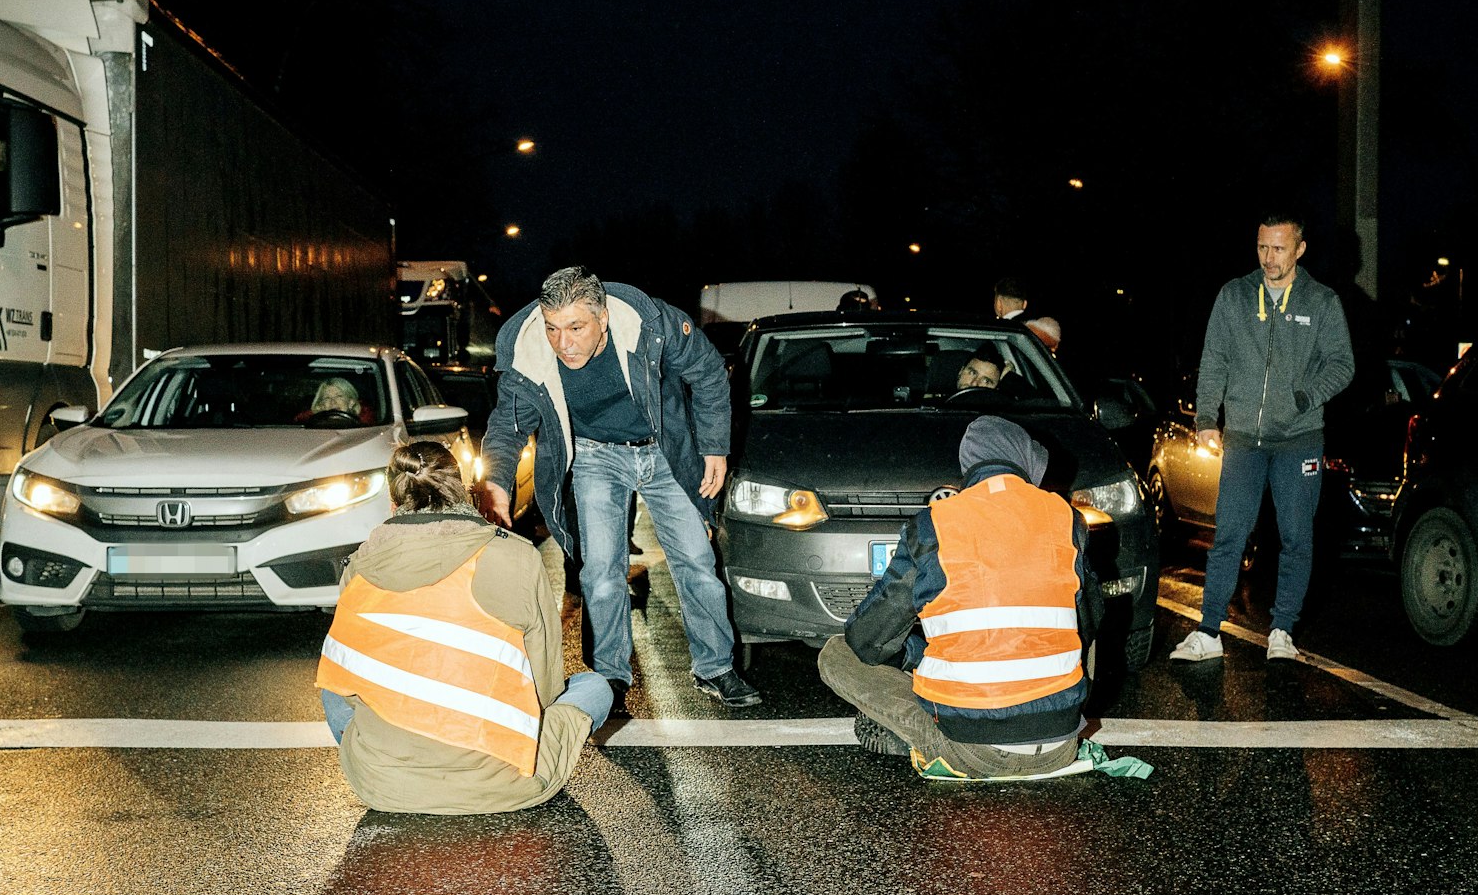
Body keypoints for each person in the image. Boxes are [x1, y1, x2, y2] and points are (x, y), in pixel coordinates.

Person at [478, 266, 760, 710]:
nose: (563, 343)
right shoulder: (529, 348)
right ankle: (609, 677)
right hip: (595, 456)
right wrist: (495, 482)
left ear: (602, 318)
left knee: (696, 560)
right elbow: (508, 424)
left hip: (662, 450)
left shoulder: (651, 324)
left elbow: (707, 372)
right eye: (553, 328)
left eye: (575, 327)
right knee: (602, 571)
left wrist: (714, 447)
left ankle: (716, 667)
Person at [315, 441, 612, 814]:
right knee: (594, 687)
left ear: (393, 504)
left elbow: (349, 684)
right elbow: (546, 688)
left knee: (332, 684)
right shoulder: (517, 556)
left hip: (381, 785)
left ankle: (391, 761)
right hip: (504, 783)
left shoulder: (358, 566)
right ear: (467, 491)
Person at [818, 418, 1102, 781]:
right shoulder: (1066, 518)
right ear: (1027, 462)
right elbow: (1091, 619)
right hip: (1061, 745)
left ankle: (916, 735)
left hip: (971, 751)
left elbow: (868, 639)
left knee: (837, 653)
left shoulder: (934, 524)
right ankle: (1051, 716)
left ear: (969, 468)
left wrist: (908, 656)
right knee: (1084, 618)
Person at [1170, 211, 1355, 664]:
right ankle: (1209, 630)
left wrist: (1305, 396)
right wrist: (1207, 419)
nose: (1268, 258)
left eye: (1278, 248)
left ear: (1300, 249)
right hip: (1243, 441)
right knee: (1230, 533)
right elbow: (1213, 361)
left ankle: (1282, 631)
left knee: (1296, 537)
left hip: (1300, 440)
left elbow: (1343, 365)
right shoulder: (1234, 296)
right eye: (1261, 247)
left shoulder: (1322, 301)